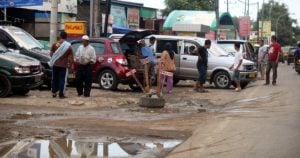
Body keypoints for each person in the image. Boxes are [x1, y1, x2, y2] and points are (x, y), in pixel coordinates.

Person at [49, 31, 73, 99]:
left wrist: (55, 59)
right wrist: (70, 64)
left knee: (54, 79)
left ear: (60, 36)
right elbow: (71, 56)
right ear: (66, 37)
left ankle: (54, 93)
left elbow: (51, 54)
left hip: (55, 65)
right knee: (62, 80)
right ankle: (61, 94)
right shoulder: (68, 45)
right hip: (63, 66)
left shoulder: (54, 44)